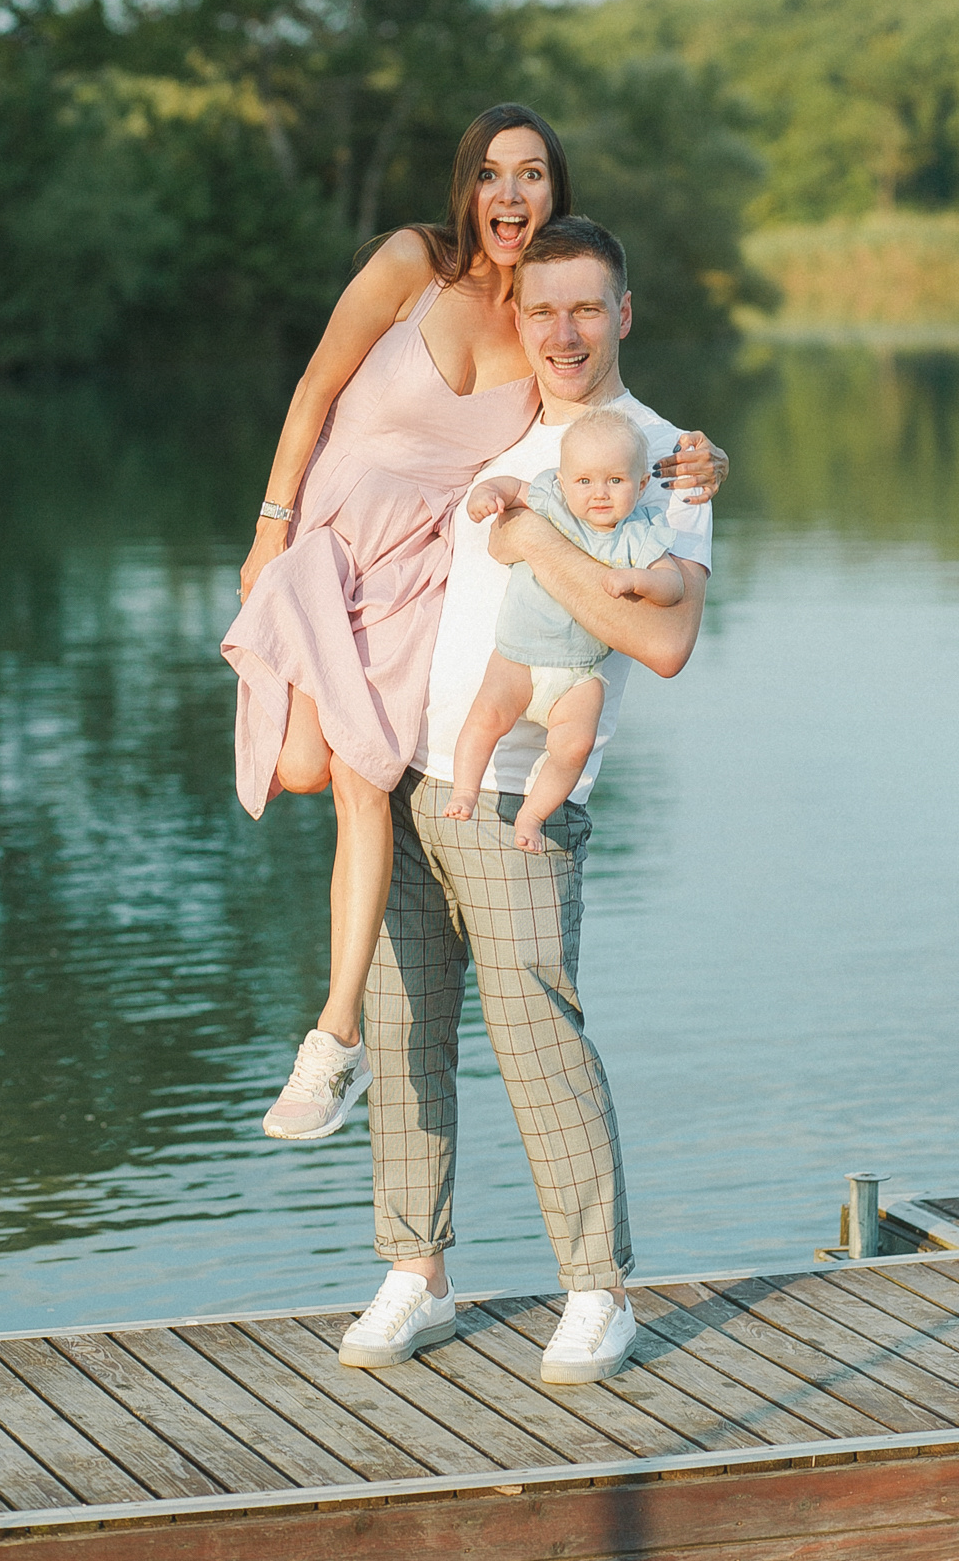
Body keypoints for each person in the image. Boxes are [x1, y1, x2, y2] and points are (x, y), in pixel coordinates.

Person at [221, 106, 724, 1144]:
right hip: (324, 542)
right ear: (467, 187)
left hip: (413, 575)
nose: (508, 195)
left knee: (354, 784)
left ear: (555, 194)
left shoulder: (547, 337)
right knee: (307, 768)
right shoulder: (412, 264)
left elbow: (608, 445)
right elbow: (315, 386)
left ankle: (330, 1038)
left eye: (531, 176)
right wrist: (270, 525)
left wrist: (698, 466)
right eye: (492, 175)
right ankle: (341, 1042)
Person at [337, 216, 716, 1386]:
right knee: (405, 1033)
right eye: (540, 309)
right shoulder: (498, 417)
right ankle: (417, 1273)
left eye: (585, 308)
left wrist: (536, 547)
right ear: (518, 317)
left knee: (537, 1035)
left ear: (623, 313)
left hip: (519, 798)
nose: (560, 331)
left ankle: (597, 1292)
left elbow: (664, 642)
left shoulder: (658, 455)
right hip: (407, 766)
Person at [444, 408, 684, 850]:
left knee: (575, 746)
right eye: (585, 481)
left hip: (578, 675)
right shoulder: (551, 501)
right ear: (563, 478)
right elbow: (512, 489)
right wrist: (487, 492)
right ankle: (465, 789)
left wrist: (638, 580)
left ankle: (532, 817)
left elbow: (673, 585)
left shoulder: (636, 534)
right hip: (517, 655)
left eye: (616, 481)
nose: (599, 494)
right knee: (485, 718)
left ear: (641, 485)